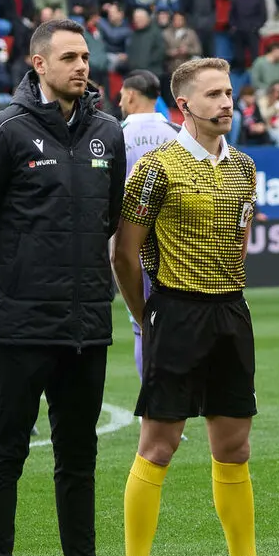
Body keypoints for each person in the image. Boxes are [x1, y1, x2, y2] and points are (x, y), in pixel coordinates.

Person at [0, 19, 142, 556]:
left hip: (87, 321)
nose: (82, 66)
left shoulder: (106, 132)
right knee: (5, 451)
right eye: (68, 57)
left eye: (86, 56)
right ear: (37, 63)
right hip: (21, 322)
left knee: (78, 453)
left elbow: (109, 219)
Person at [113, 57, 279, 556]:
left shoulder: (244, 166)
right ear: (185, 106)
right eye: (214, 95)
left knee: (234, 447)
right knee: (159, 445)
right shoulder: (156, 168)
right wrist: (145, 312)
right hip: (174, 313)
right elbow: (125, 252)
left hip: (231, 313)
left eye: (229, 92)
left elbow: (242, 232)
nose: (227, 102)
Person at [117, 69, 181, 381]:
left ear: (129, 94)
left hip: (132, 243)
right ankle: (174, 410)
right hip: (175, 242)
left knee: (143, 324)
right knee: (178, 322)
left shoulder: (115, 135)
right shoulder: (178, 133)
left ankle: (154, 412)